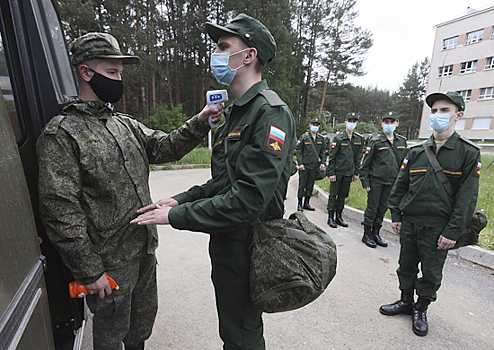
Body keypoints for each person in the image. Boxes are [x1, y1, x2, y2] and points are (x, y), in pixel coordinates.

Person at [36, 32, 222, 350]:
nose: (119, 80)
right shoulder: (62, 134)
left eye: (120, 73)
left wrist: (201, 121)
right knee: (110, 336)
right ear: (86, 72)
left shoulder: (124, 124)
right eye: (112, 72)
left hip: (143, 251)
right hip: (107, 264)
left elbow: (164, 147)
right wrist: (89, 270)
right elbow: (59, 210)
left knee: (140, 329)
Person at [131, 14, 296, 350]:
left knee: (242, 335)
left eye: (224, 47)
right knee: (233, 329)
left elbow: (249, 199)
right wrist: (178, 201)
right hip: (228, 242)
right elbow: (222, 184)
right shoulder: (235, 114)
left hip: (249, 243)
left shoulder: (270, 113)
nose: (216, 55)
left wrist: (175, 218)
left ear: (249, 56)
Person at [379, 92, 481, 337]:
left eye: (444, 110)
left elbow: (467, 198)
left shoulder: (467, 153)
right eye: (434, 111)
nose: (437, 115)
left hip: (438, 226)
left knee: (432, 272)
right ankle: (405, 301)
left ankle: (421, 308)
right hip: (411, 222)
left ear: (459, 115)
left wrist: (452, 231)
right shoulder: (416, 152)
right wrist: (396, 215)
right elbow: (400, 186)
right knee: (406, 265)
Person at [359, 112, 407, 248]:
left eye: (392, 122)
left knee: (382, 209)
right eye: (386, 122)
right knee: (372, 208)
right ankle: (367, 234)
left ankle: (376, 233)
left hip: (392, 183)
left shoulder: (402, 141)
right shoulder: (375, 141)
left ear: (397, 123)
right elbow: (365, 164)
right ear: (382, 124)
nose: (389, 125)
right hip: (376, 182)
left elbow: (405, 165)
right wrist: (365, 182)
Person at [326, 112, 364, 228]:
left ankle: (339, 216)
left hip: (348, 173)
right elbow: (332, 157)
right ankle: (330, 217)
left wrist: (356, 172)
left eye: (354, 121)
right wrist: (331, 173)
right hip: (337, 172)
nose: (352, 123)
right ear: (345, 122)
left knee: (343, 196)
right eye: (350, 121)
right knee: (333, 195)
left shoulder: (359, 139)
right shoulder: (338, 138)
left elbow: (358, 158)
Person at [295, 118, 326, 211]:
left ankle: (307, 203)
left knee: (310, 185)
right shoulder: (304, 137)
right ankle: (299, 204)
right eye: (314, 124)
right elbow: (299, 151)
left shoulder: (321, 139)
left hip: (314, 166)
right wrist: (300, 163)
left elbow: (323, 152)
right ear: (310, 125)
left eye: (317, 125)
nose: (315, 126)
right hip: (304, 166)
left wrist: (323, 163)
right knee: (302, 185)